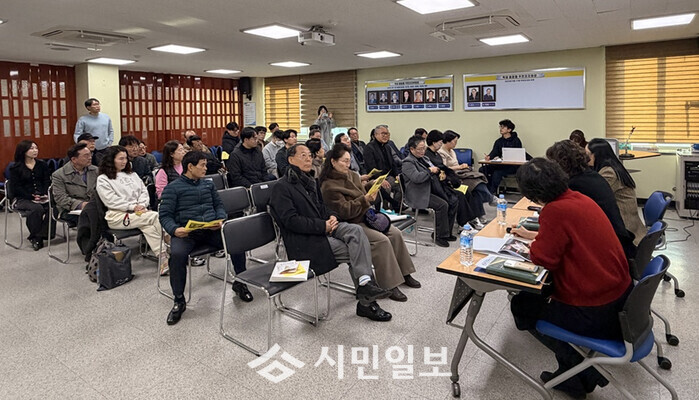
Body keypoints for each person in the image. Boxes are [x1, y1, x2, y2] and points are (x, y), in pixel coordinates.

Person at [509, 158, 631, 398]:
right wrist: (539, 235)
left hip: (594, 309)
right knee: (535, 298)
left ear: (532, 194)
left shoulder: (554, 210)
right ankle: (574, 372)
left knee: (522, 305)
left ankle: (581, 370)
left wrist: (534, 244)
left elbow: (544, 259)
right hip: (620, 297)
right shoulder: (579, 198)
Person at [269, 144, 393, 321]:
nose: (308, 158)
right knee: (355, 250)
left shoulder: (311, 181)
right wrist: (323, 226)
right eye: (303, 155)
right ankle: (367, 302)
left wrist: (332, 216)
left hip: (324, 228)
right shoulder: (281, 187)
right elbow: (291, 221)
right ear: (290, 160)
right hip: (305, 240)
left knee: (356, 230)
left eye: (309, 155)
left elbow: (323, 207)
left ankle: (365, 284)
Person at [319, 144, 420, 302]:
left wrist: (371, 186)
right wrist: (365, 200)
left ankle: (405, 272)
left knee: (395, 233)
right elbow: (344, 211)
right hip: (352, 222)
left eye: (349, 161)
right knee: (381, 241)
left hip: (367, 217)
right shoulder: (328, 186)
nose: (347, 164)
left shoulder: (352, 175)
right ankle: (390, 283)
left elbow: (360, 191)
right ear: (333, 162)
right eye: (344, 161)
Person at [159, 151, 248, 325]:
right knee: (177, 256)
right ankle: (179, 300)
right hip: (186, 234)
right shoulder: (173, 188)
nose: (206, 168)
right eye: (202, 165)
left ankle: (240, 282)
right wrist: (175, 230)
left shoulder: (208, 184)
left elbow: (219, 206)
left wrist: (220, 219)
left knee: (236, 241)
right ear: (190, 167)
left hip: (209, 230)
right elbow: (165, 215)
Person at [546, 140, 636, 260]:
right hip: (617, 240)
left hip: (611, 249)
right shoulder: (592, 176)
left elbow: (565, 224)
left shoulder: (577, 184)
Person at [95, 146, 166, 272]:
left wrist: (142, 205)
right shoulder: (103, 179)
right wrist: (133, 207)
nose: (125, 161)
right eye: (121, 159)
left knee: (148, 225)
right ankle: (170, 243)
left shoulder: (132, 175)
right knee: (154, 216)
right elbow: (111, 200)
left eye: (126, 158)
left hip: (140, 213)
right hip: (117, 216)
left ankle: (163, 258)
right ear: (111, 160)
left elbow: (144, 191)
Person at [587, 138, 646, 245]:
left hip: (627, 231)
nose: (585, 158)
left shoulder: (609, 173)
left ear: (596, 155)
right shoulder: (613, 166)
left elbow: (595, 195)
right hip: (629, 224)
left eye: (587, 154)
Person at [402, 135, 458, 247]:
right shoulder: (408, 162)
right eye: (420, 149)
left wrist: (439, 172)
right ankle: (439, 236)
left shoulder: (424, 158)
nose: (423, 151)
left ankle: (446, 232)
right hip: (418, 194)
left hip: (429, 189)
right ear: (412, 149)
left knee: (454, 200)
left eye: (424, 148)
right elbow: (417, 178)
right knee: (442, 205)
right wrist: (430, 171)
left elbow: (434, 168)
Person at [425, 130, 484, 230]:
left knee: (467, 192)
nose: (441, 144)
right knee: (459, 196)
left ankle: (472, 219)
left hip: (444, 182)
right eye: (440, 142)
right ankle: (463, 223)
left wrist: (452, 178)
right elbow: (438, 171)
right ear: (434, 143)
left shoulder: (436, 154)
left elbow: (444, 168)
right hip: (436, 186)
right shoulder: (427, 155)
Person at [9, 140, 53, 250]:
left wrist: (43, 194)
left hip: (41, 196)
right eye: (31, 148)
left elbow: (46, 181)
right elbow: (15, 187)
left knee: (53, 207)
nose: (35, 151)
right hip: (22, 198)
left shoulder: (42, 165)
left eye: (36, 148)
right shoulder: (16, 168)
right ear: (23, 151)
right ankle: (36, 238)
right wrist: (31, 196)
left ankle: (42, 234)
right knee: (37, 209)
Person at [438, 130, 495, 214]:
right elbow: (445, 168)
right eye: (454, 141)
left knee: (477, 184)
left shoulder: (452, 151)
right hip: (452, 176)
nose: (456, 144)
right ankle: (491, 198)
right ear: (448, 141)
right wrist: (459, 167)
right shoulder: (441, 152)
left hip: (459, 172)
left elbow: (455, 164)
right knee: (475, 183)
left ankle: (479, 214)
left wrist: (461, 167)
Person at [51, 143, 98, 227]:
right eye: (86, 156)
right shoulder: (59, 175)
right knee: (90, 218)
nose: (90, 157)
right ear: (74, 159)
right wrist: (80, 204)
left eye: (90, 154)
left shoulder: (95, 170)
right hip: (69, 209)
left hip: (93, 206)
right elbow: (60, 198)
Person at [362, 125, 403, 210]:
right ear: (376, 135)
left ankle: (395, 208)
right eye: (383, 134)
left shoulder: (387, 147)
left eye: (387, 134)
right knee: (386, 187)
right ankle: (384, 210)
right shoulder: (369, 147)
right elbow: (370, 167)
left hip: (389, 176)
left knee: (401, 186)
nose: (385, 136)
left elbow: (393, 163)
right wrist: (380, 179)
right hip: (376, 178)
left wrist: (397, 175)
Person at [481, 119, 523, 194]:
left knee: (497, 173)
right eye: (500, 127)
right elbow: (494, 152)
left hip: (512, 166)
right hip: (500, 164)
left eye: (503, 127)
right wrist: (489, 157)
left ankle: (491, 192)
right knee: (483, 169)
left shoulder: (516, 141)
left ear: (509, 130)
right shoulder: (499, 141)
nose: (501, 129)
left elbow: (518, 155)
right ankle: (485, 190)